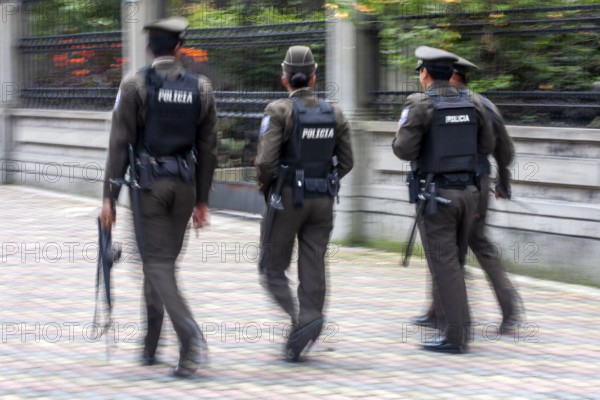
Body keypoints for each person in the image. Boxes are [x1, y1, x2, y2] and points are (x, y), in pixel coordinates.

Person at [100, 16, 218, 377]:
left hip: (149, 188)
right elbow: (209, 149)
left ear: (150, 48)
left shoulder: (135, 85)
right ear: (180, 48)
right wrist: (202, 201)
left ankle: (189, 336)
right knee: (162, 265)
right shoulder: (201, 87)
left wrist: (109, 197)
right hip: (184, 188)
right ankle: (150, 345)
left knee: (156, 265)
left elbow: (120, 143)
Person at [392, 46, 494, 353]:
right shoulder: (473, 101)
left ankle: (455, 336)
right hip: (470, 194)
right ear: (451, 74)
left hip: (438, 197)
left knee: (444, 265)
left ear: (424, 73)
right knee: (456, 262)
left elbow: (403, 150)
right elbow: (486, 144)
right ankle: (460, 325)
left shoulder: (419, 104)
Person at [255, 45, 353, 361]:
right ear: (314, 77)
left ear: (285, 79)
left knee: (271, 267)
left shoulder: (278, 111)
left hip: (286, 199)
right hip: (322, 199)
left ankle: (300, 321)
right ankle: (311, 317)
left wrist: (269, 190)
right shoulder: (334, 112)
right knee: (314, 264)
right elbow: (348, 161)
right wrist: (326, 179)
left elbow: (265, 162)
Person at [412, 55, 524, 334]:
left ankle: (499, 309)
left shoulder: (438, 103)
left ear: (450, 76)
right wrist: (502, 184)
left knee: (457, 244)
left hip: (452, 186)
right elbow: (504, 150)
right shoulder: (483, 104)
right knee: (454, 245)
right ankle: (439, 310)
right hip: (479, 183)